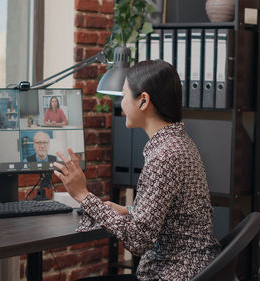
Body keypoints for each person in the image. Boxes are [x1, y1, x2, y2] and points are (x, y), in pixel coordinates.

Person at [53, 60, 221, 281]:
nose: (121, 103)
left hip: (172, 274)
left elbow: (138, 240)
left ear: (143, 101)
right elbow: (170, 215)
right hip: (190, 268)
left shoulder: (165, 155)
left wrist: (82, 195)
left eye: (123, 95)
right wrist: (130, 211)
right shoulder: (177, 142)